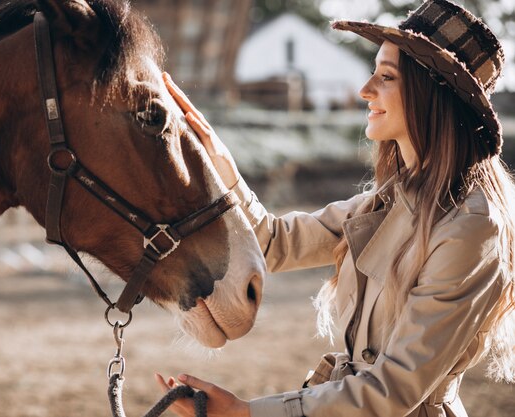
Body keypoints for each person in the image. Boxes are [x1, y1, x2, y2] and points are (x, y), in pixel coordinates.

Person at [154, 0, 515, 416]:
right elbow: (273, 243)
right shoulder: (390, 199)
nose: (365, 90)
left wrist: (245, 413)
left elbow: (394, 389)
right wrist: (216, 160)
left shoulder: (471, 226)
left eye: (387, 77)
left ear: (431, 94)